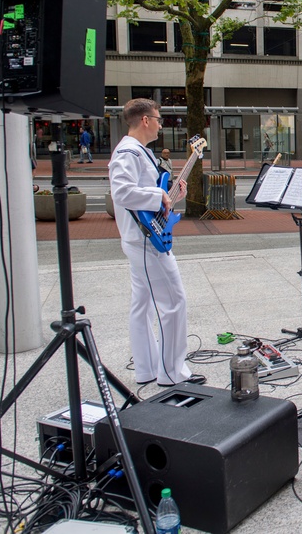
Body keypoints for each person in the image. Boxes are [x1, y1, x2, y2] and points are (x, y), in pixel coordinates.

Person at [109, 98, 204, 388]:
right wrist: (158, 197)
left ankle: (147, 369)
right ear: (145, 120)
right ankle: (172, 373)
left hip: (140, 237)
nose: (162, 124)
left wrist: (173, 193)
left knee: (143, 305)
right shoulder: (129, 152)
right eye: (159, 119)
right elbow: (122, 193)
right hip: (145, 241)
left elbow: (152, 199)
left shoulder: (141, 152)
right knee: (174, 303)